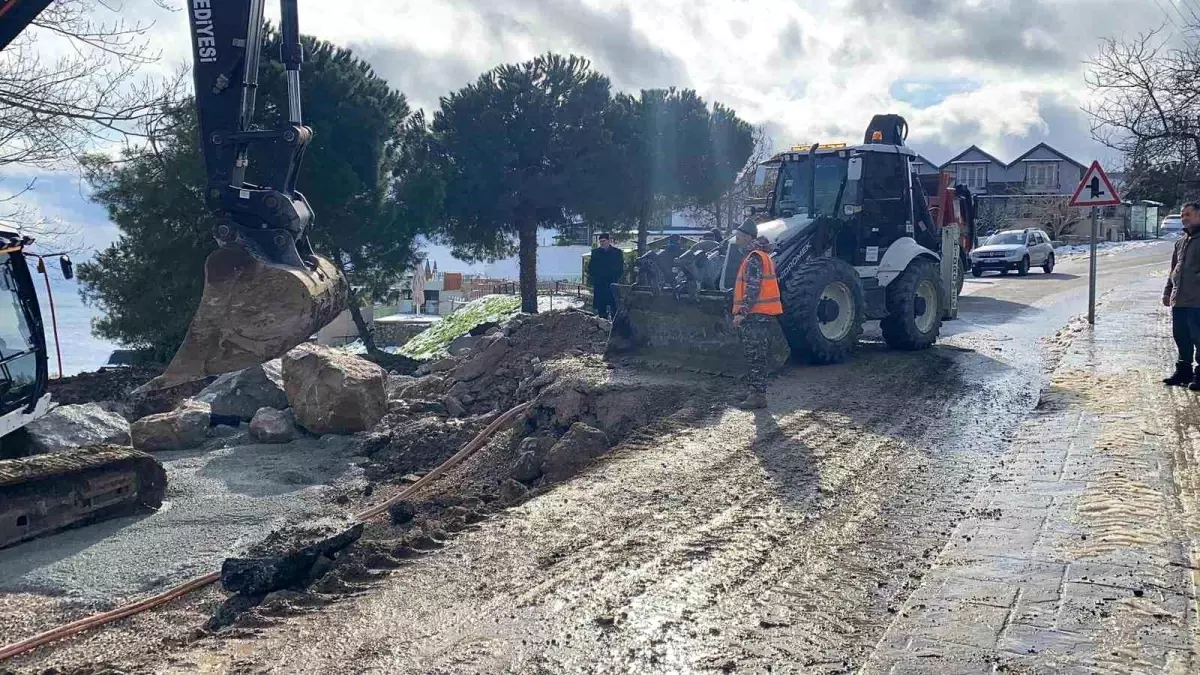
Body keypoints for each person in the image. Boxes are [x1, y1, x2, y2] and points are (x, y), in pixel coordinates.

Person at [731, 220, 782, 409]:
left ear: (748, 237)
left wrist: (742, 312)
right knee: (754, 354)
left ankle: (758, 395)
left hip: (756, 314)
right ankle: (754, 390)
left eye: (739, 237)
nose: (736, 240)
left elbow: (753, 288)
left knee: (756, 356)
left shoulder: (754, 257)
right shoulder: (760, 255)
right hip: (760, 314)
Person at [1164, 202, 1200, 388]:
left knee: (1198, 337)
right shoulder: (1180, 242)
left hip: (1197, 300)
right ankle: (1183, 372)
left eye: (1188, 214)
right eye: (1182, 215)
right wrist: (1167, 292)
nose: (1184, 218)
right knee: (1181, 337)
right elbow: (1174, 270)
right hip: (1179, 300)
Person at [588, 232, 624, 320]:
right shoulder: (595, 253)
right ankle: (603, 324)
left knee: (614, 306)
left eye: (604, 241)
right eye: (600, 241)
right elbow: (591, 268)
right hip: (600, 284)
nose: (602, 243)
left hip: (612, 283)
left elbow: (620, 267)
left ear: (609, 241)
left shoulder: (617, 252)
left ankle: (614, 325)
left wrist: (615, 276)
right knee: (601, 308)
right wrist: (596, 277)